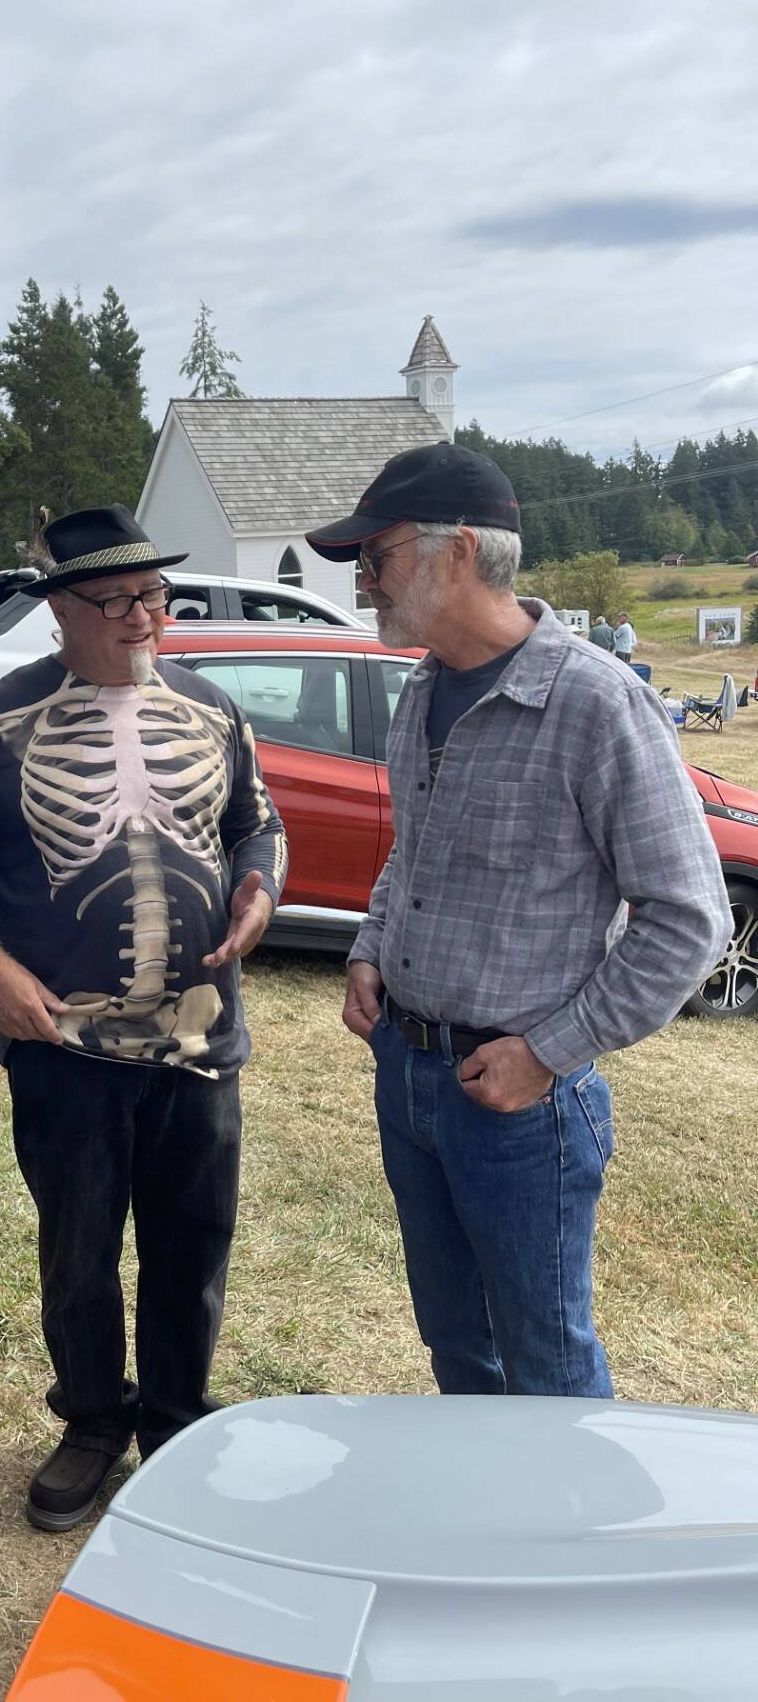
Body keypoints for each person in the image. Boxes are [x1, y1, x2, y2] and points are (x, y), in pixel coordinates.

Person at [306, 444, 731, 1399]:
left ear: (455, 552)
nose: (363, 585)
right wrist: (372, 946)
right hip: (409, 1073)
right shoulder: (424, 686)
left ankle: (571, 1548)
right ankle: (483, 1540)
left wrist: (548, 1051)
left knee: (545, 1360)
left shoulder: (596, 701)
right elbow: (414, 850)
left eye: (372, 560)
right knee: (457, 1343)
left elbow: (688, 918)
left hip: (519, 1102)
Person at [0, 504, 287, 1532]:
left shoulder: (213, 710)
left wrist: (259, 889)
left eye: (154, 596)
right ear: (60, 610)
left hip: (201, 1040)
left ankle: (174, 1422)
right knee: (78, 1247)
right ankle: (89, 1420)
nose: (142, 617)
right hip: (64, 1044)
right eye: (117, 600)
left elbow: (259, 822)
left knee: (192, 1242)